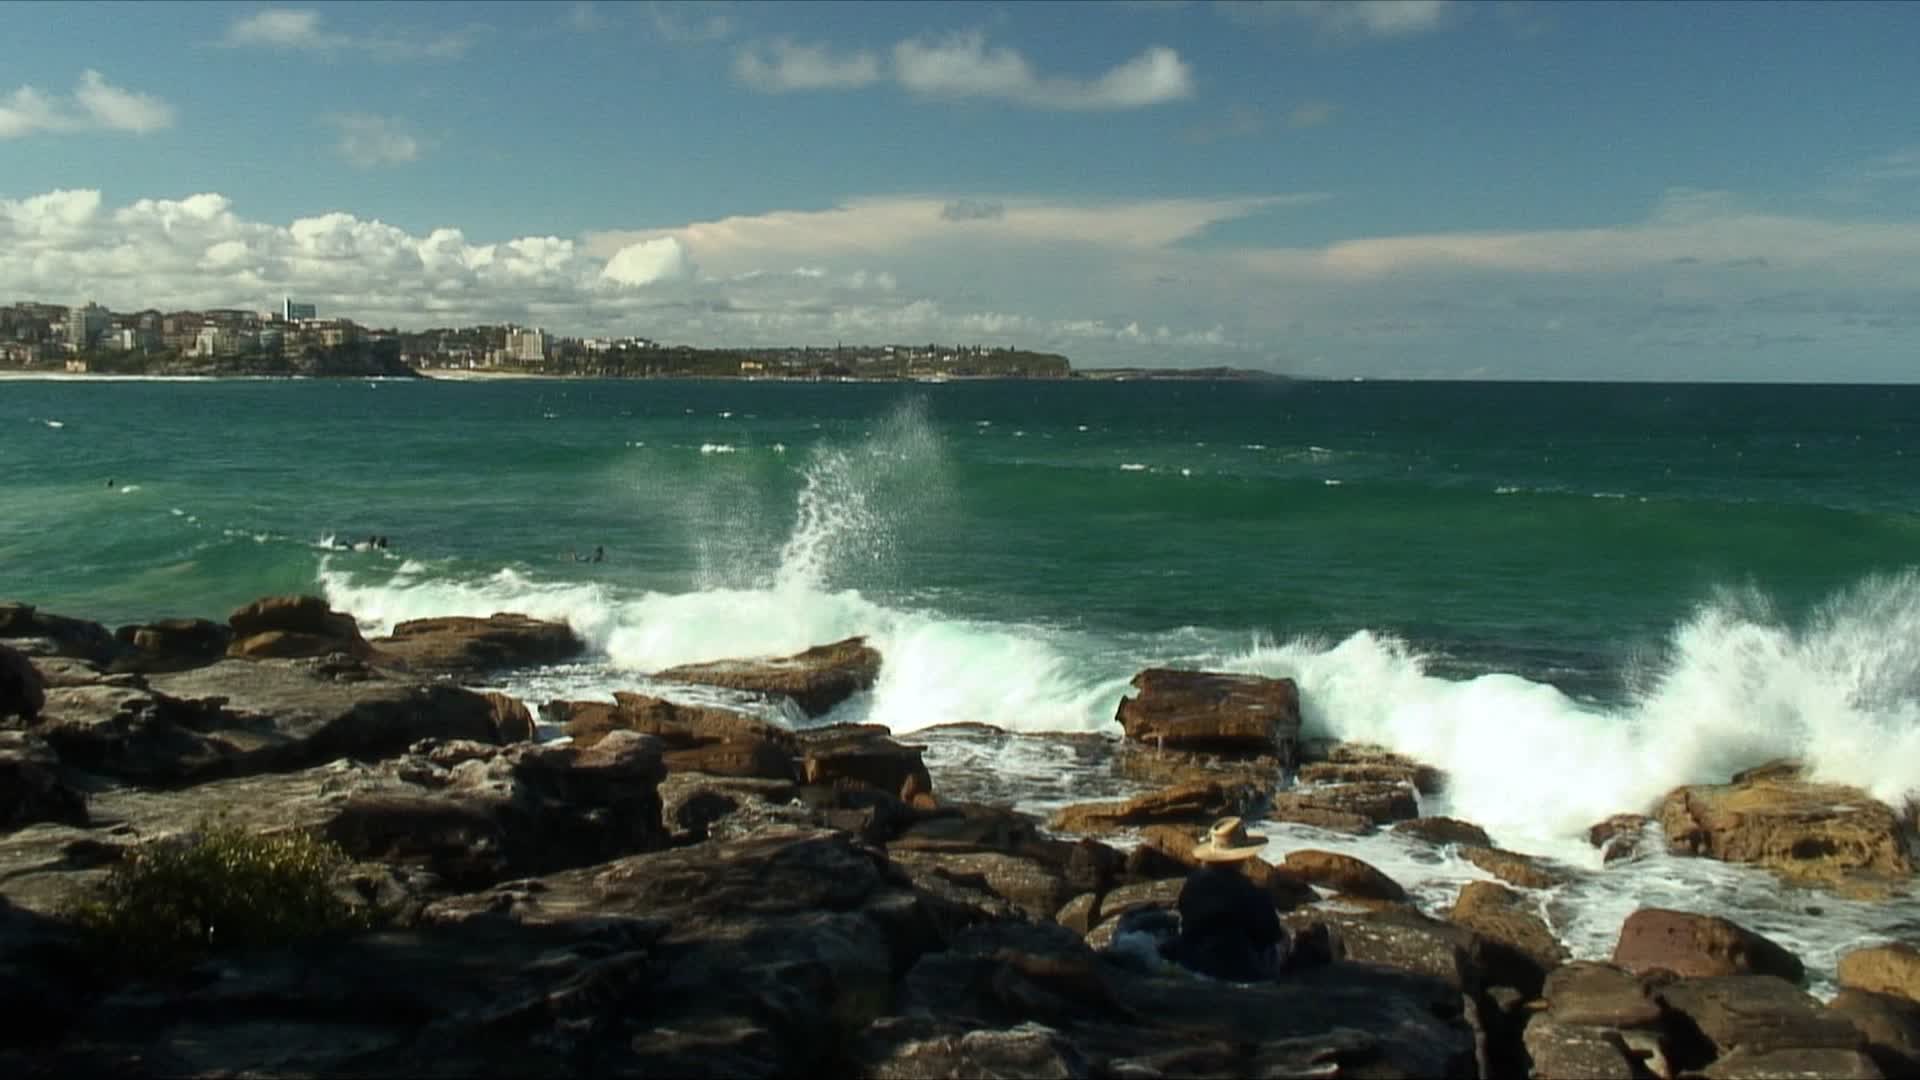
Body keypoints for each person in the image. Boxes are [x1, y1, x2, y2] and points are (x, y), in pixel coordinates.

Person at [1171, 817, 1289, 982]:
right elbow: (1270, 935)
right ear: (1241, 857)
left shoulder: (1192, 883)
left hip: (1192, 963)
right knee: (1283, 939)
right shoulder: (1251, 891)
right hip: (1239, 970)